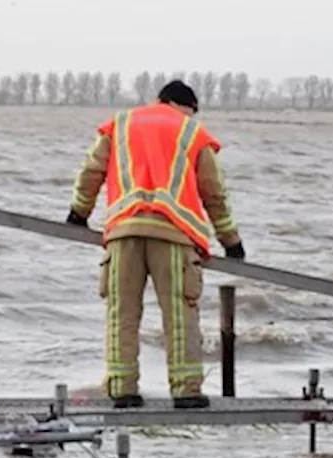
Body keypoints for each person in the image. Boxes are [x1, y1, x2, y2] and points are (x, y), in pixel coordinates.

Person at [67, 79, 245, 410]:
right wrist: (231, 240)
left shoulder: (120, 125)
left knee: (122, 313)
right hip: (175, 236)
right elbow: (213, 192)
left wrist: (78, 213)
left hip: (124, 233)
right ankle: (186, 391)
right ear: (187, 107)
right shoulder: (193, 134)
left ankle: (122, 389)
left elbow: (91, 171)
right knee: (180, 315)